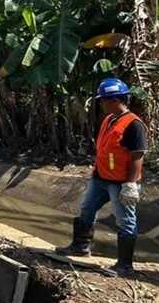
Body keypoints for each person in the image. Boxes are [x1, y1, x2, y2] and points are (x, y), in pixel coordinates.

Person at [55, 78, 147, 277]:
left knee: (125, 220)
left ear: (115, 100)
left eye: (104, 100)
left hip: (121, 182)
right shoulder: (108, 119)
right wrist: (96, 172)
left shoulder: (134, 125)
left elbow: (137, 155)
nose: (101, 104)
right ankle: (80, 246)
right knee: (87, 208)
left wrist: (130, 184)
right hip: (101, 178)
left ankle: (125, 266)